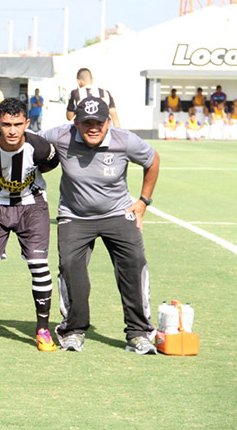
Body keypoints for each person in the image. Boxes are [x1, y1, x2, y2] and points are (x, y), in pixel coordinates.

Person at [42, 97, 160, 354]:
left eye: (98, 122)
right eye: (86, 123)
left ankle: (139, 333)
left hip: (117, 213)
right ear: (76, 123)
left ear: (109, 121)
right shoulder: (61, 135)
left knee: (134, 265)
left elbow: (152, 160)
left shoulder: (125, 140)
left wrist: (143, 201)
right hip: (74, 216)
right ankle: (73, 331)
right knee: (71, 270)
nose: (92, 128)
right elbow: (28, 141)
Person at [0, 98, 60, 352]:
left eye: (18, 124)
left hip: (32, 207)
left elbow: (50, 165)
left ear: (27, 123)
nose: (12, 130)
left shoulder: (40, 148)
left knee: (39, 267)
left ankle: (43, 330)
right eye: (6, 124)